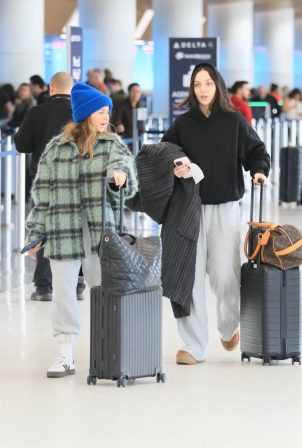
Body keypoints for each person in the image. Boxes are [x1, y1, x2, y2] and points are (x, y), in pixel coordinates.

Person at [25, 82, 137, 378]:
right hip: (63, 230)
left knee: (104, 290)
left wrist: (119, 178)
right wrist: (35, 235)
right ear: (85, 113)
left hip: (100, 232)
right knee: (63, 293)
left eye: (107, 111)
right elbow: (42, 196)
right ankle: (64, 355)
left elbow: (126, 173)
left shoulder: (111, 146)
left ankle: (110, 349)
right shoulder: (55, 150)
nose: (105, 117)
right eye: (100, 111)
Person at [161, 63, 270, 365]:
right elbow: (164, 153)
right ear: (192, 89)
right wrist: (175, 165)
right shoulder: (183, 124)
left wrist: (259, 171)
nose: (203, 89)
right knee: (191, 277)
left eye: (208, 83)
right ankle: (194, 345)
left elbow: (257, 151)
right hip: (189, 209)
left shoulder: (233, 121)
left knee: (225, 274)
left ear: (217, 86)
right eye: (197, 84)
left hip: (225, 207)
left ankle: (228, 326)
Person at [15, 72, 85, 302]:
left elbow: (21, 144)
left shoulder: (37, 112)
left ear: (51, 88)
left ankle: (44, 287)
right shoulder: (82, 112)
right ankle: (77, 283)